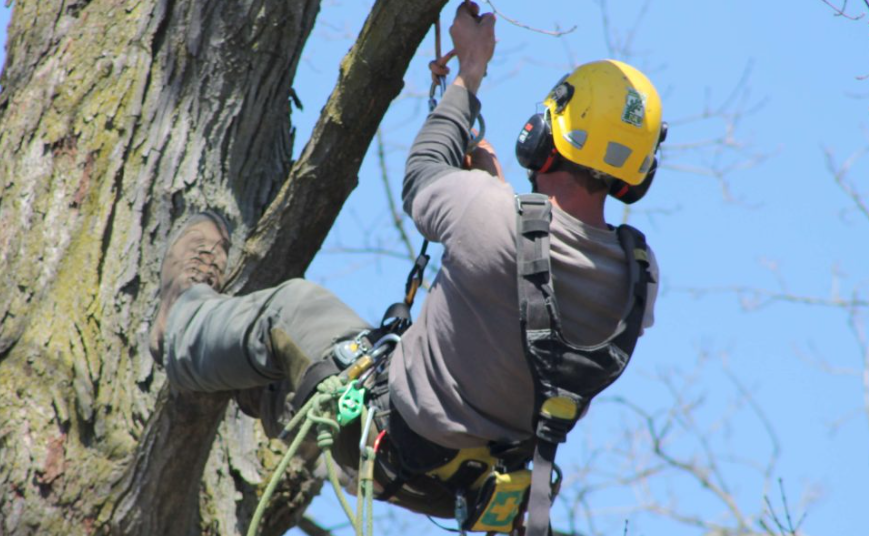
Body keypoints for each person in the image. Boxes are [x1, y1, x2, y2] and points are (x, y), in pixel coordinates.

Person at [149, 2, 662, 533]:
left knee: (290, 309)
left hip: (388, 439)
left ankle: (178, 325)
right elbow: (545, 283)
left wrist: (469, 73)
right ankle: (258, 391)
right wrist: (496, 194)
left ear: (546, 133)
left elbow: (423, 175)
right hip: (467, 488)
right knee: (296, 370)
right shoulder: (639, 283)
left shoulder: (488, 215)